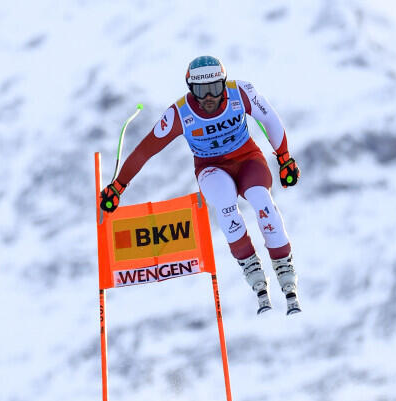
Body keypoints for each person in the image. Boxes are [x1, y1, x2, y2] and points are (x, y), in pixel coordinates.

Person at [99, 56, 301, 316]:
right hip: (211, 168)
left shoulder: (240, 92)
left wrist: (284, 158)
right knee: (225, 204)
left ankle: (284, 267)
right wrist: (119, 186)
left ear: (223, 83)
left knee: (262, 200)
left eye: (215, 88)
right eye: (200, 90)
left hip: (248, 160)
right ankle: (252, 269)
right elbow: (145, 150)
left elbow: (270, 119)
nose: (208, 97)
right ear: (190, 88)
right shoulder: (180, 113)